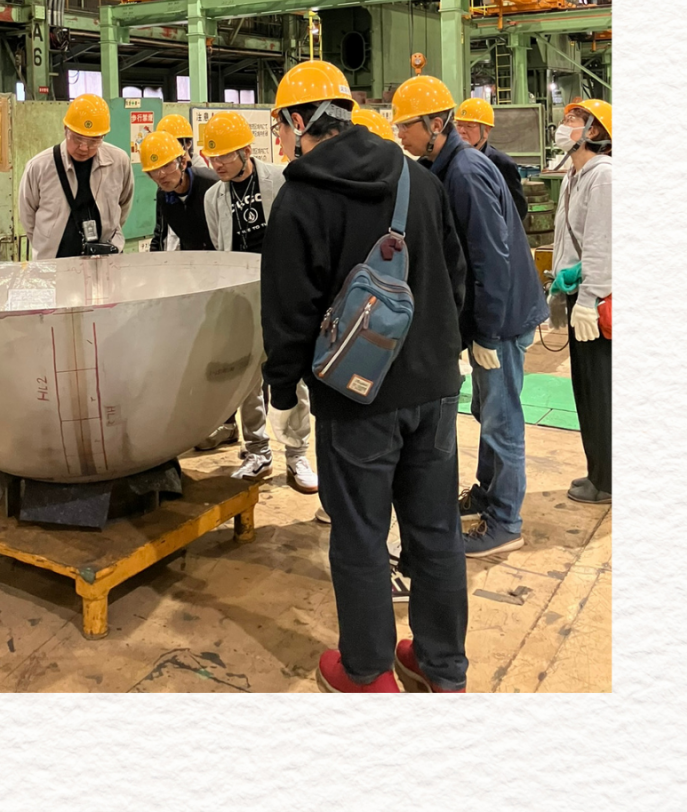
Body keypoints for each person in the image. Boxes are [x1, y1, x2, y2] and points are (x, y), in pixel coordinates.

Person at [262, 61, 469, 693]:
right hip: (434, 390)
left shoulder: (301, 198)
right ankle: (441, 666)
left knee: (359, 533)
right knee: (436, 530)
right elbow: (456, 275)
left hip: (356, 399)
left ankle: (367, 671)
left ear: (300, 121)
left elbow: (288, 309)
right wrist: (441, 354)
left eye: (281, 126)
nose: (281, 139)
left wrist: (282, 389)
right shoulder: (418, 179)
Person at [393, 75, 548, 558]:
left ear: (435, 124)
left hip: (503, 321)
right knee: (488, 412)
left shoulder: (465, 173)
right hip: (494, 316)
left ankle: (505, 522)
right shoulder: (447, 167)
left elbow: (490, 258)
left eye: (406, 125)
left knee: (502, 419)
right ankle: (486, 493)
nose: (400, 134)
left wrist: (487, 332)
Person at [200, 111, 318, 494]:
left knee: (291, 374)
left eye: (225, 155)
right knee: (246, 379)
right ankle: (257, 450)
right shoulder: (213, 197)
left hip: (282, 292)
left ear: (246, 152)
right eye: (212, 157)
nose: (218, 164)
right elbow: (220, 247)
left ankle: (297, 455)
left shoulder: (281, 179)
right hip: (243, 296)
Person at [551, 99, 612, 504]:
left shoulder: (603, 176)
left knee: (600, 390)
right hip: (576, 296)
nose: (564, 124)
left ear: (592, 131)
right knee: (585, 389)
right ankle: (597, 470)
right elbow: (566, 240)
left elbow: (602, 244)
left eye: (573, 119)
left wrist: (589, 298)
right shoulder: (573, 175)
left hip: (595, 301)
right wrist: (560, 287)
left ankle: (607, 481)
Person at [18, 94, 134, 258]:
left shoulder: (119, 162)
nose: (84, 148)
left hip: (105, 259)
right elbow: (28, 217)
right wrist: (47, 245)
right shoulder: (39, 167)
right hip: (55, 262)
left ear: (103, 137)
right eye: (77, 138)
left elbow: (124, 204)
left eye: (93, 141)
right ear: (65, 130)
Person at [142, 130, 218, 252]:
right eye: (154, 170)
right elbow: (161, 232)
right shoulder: (163, 196)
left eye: (167, 166)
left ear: (182, 162)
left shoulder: (212, 185)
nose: (161, 175)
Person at [454, 98, 528, 222]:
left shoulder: (501, 164)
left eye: (469, 126)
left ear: (486, 130)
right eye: (459, 125)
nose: (462, 131)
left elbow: (517, 210)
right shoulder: (452, 161)